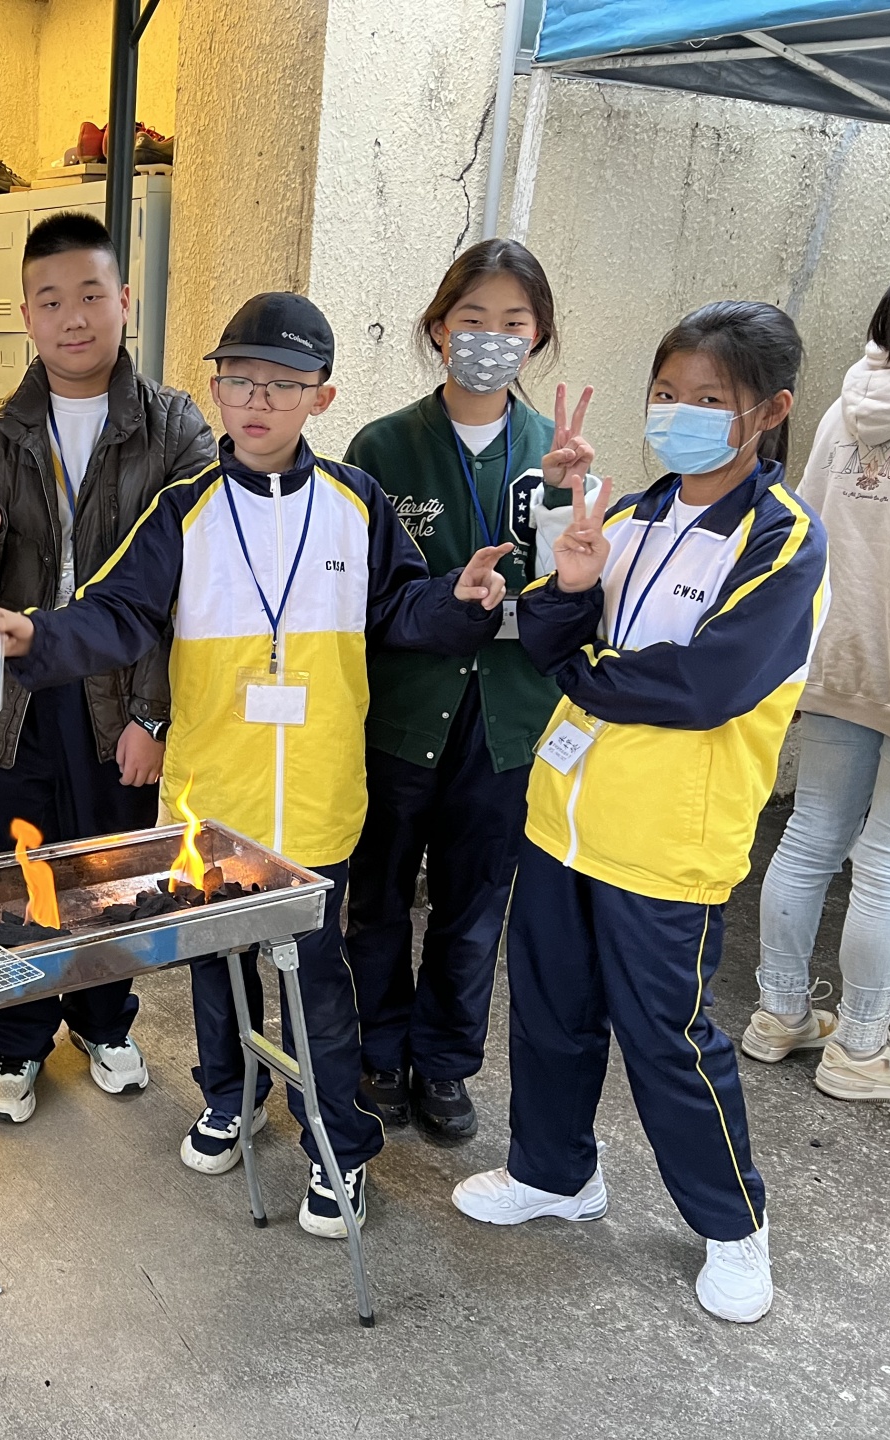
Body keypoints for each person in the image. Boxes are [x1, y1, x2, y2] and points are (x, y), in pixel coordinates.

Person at [0, 292, 513, 1237]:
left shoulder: (356, 502)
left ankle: (337, 1144)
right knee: (215, 965)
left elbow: (401, 608)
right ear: (217, 391)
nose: (258, 401)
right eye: (239, 381)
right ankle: (229, 1097)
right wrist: (40, 637)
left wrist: (460, 603)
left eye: (283, 385)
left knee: (318, 981)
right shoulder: (182, 509)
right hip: (213, 800)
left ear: (322, 397)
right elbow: (118, 612)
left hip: (318, 797)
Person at [452, 301, 826, 1326]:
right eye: (666, 393)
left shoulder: (782, 541)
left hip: (668, 842)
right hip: (564, 819)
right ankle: (556, 1173)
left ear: (771, 411)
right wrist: (570, 583)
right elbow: (547, 636)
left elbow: (706, 686)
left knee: (669, 1039)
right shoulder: (628, 517)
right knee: (550, 1012)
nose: (678, 414)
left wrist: (587, 666)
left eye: (708, 399)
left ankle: (735, 1225)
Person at [0, 211, 216, 1125]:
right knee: (11, 876)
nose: (73, 318)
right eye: (50, 301)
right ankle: (16, 1042)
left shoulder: (174, 427)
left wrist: (153, 716)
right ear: (25, 316)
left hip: (117, 700)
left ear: (124, 299)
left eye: (91, 295)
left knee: (109, 876)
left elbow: (190, 590)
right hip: (6, 702)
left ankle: (102, 1021)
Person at [343, 239, 594, 1139]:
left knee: (474, 902)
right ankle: (379, 1049)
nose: (491, 337)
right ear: (439, 327)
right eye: (472, 318)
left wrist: (566, 501)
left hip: (509, 721)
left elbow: (576, 598)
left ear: (539, 336)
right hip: (402, 713)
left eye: (513, 322)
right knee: (377, 893)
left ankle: (446, 1064)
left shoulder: (555, 455)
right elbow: (361, 597)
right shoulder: (383, 447)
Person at [745, 258, 890, 1102]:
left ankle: (779, 1013)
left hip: (836, 652)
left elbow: (803, 528)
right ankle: (859, 1048)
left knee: (812, 831)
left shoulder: (843, 408)